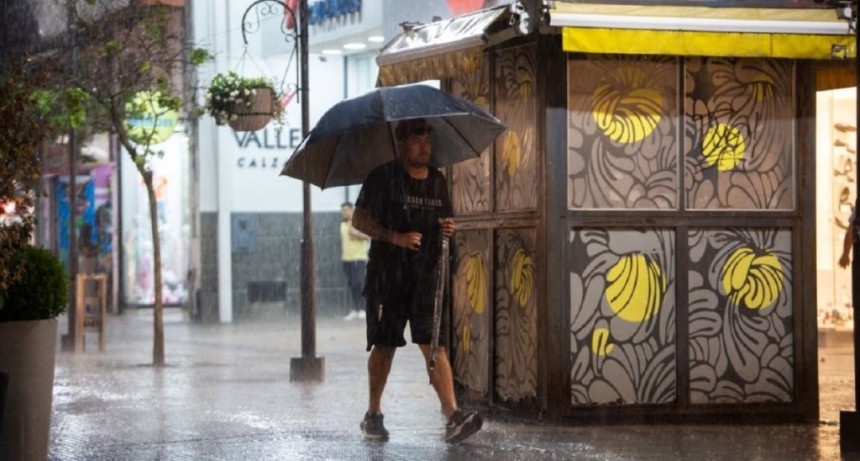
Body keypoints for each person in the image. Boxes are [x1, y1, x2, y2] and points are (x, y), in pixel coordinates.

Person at [352, 118, 483, 444]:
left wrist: (449, 228)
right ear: (401, 143)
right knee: (385, 345)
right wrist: (394, 237)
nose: (425, 147)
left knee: (434, 346)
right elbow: (359, 219)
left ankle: (452, 415)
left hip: (427, 279)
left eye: (428, 140)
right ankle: (373, 413)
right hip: (388, 279)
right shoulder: (383, 177)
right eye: (417, 140)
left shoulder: (437, 180)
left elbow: (445, 220)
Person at [340, 202, 369, 320]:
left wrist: (356, 234)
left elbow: (368, 236)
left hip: (358, 257)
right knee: (352, 284)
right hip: (347, 259)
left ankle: (362, 308)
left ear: (352, 210)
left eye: (345, 210)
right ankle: (356, 308)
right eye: (342, 210)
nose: (343, 212)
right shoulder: (343, 224)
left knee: (358, 282)